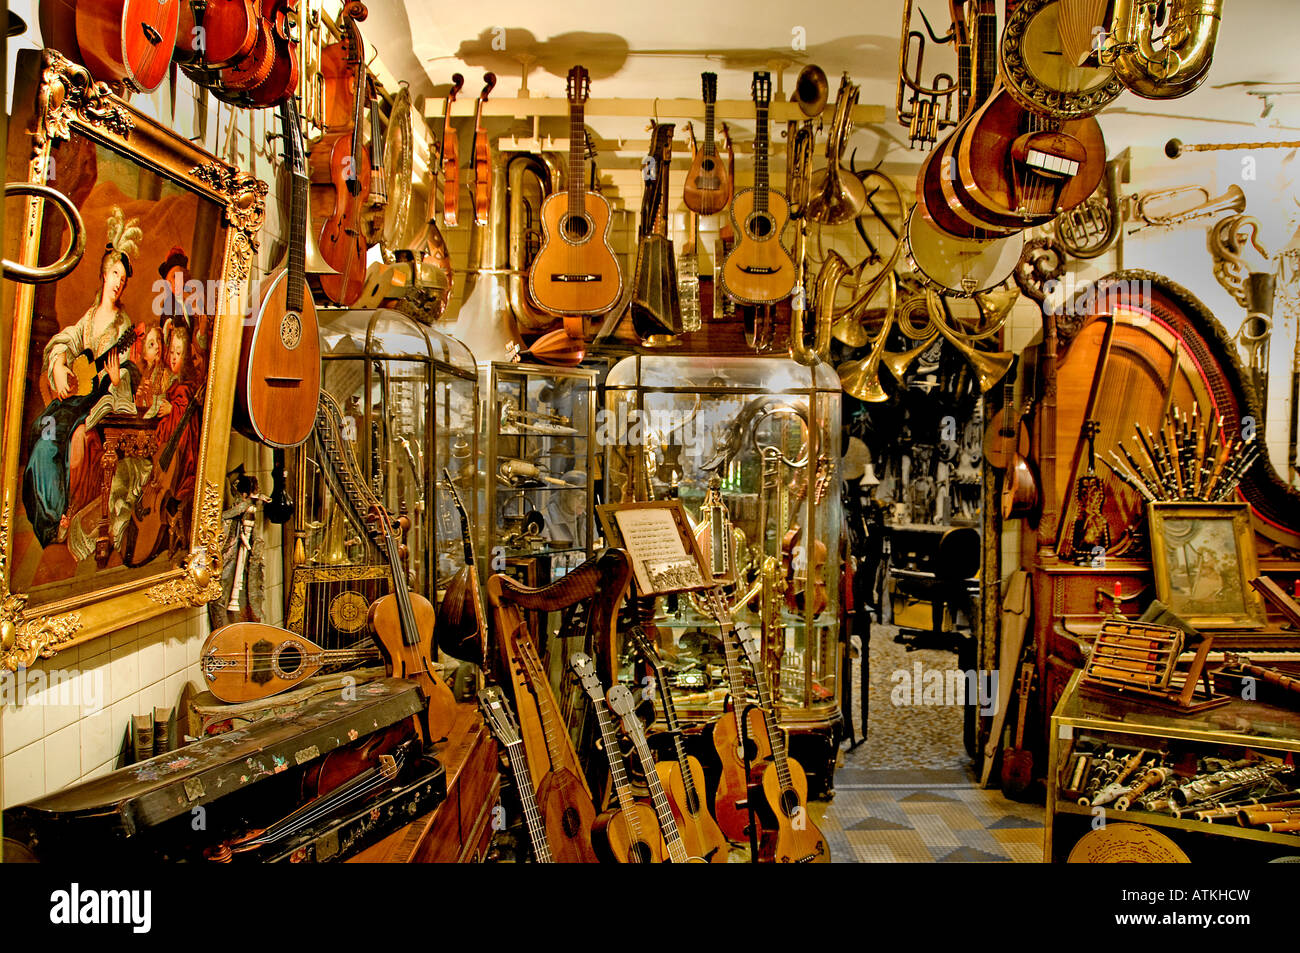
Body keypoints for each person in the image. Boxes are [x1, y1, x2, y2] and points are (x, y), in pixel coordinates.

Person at [22, 210, 142, 554]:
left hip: (98, 403)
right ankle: (47, 519)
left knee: (71, 442)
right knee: (42, 433)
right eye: (115, 274)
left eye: (124, 278)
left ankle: (61, 514)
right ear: (104, 275)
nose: (119, 282)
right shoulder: (89, 318)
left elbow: (128, 370)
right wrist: (60, 367)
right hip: (75, 401)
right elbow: (65, 342)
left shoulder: (124, 326)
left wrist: (120, 376)